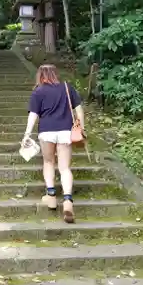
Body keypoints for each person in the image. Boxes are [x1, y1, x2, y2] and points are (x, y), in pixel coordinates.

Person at [22, 64, 85, 224]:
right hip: (65, 131)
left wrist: (27, 134)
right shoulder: (67, 87)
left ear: (40, 75)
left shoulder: (38, 91)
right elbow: (79, 110)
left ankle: (51, 196)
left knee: (48, 162)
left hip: (47, 132)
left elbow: (33, 115)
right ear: (55, 74)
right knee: (65, 168)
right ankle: (68, 200)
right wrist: (81, 128)